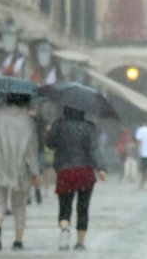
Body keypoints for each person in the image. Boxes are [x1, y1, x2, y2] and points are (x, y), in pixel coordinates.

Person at [46, 105, 107, 250]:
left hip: (65, 171)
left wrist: (53, 132)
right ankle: (80, 242)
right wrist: (101, 168)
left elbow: (50, 144)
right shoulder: (88, 127)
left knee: (65, 204)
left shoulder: (58, 125)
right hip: (84, 171)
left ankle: (65, 228)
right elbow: (93, 149)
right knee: (83, 207)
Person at [0, 94, 41, 251]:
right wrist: (35, 172)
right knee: (19, 206)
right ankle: (18, 240)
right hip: (20, 169)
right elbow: (31, 151)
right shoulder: (27, 122)